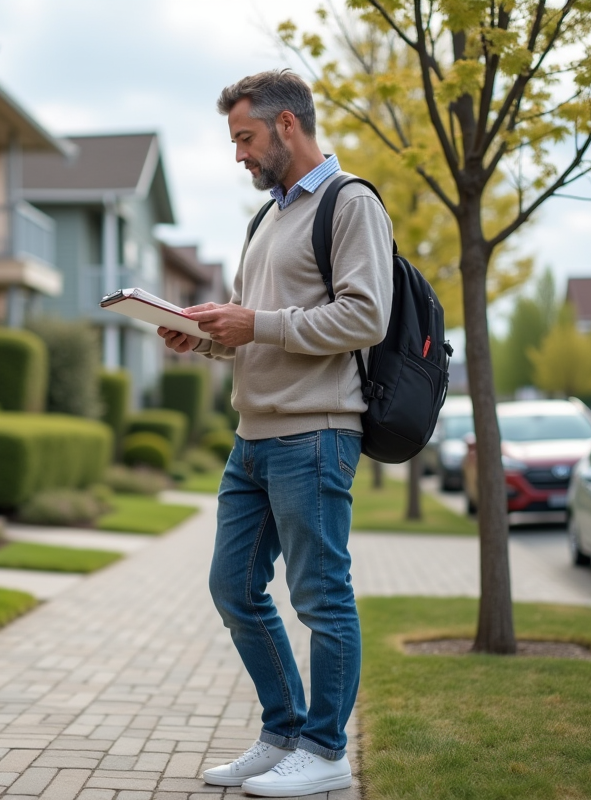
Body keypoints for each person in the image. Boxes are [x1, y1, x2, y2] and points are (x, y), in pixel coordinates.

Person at [158, 69, 392, 797]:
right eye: (234, 141)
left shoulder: (350, 203)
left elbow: (365, 316)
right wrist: (205, 339)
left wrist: (254, 323)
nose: (239, 154)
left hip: (314, 433)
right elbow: (255, 332)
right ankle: (284, 733)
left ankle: (326, 752)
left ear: (288, 124)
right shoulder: (264, 219)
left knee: (321, 597)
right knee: (233, 587)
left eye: (246, 137)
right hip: (253, 438)